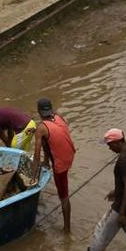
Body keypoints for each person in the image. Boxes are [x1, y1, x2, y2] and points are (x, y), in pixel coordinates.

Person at [32, 98, 76, 232]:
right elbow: (54, 134)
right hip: (70, 155)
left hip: (61, 164)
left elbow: (36, 156)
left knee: (64, 197)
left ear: (38, 111)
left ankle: (67, 229)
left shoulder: (41, 128)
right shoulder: (58, 117)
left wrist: (33, 178)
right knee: (44, 139)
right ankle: (48, 162)